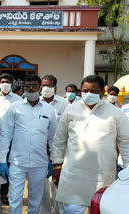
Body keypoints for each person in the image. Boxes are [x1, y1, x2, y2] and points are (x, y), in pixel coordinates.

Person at [51, 75, 129, 213]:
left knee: (101, 208)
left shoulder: (115, 113)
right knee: (71, 210)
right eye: (85, 90)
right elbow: (59, 140)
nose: (89, 94)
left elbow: (125, 142)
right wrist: (57, 165)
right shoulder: (71, 110)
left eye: (93, 91)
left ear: (101, 92)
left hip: (102, 173)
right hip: (74, 172)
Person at [0, 74, 57, 214]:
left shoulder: (49, 110)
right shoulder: (14, 107)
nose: (31, 89)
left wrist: (53, 160)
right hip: (17, 162)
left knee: (35, 200)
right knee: (14, 198)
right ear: (24, 87)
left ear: (40, 88)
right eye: (28, 86)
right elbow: (6, 134)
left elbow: (53, 137)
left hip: (40, 163)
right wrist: (2, 161)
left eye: (34, 86)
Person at [0, 73, 21, 204]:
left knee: (8, 166)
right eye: (2, 81)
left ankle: (4, 194)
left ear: (12, 84)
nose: (5, 84)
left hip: (12, 138)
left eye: (7, 82)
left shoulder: (18, 99)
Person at [39, 74, 67, 214]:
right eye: (43, 85)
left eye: (49, 85)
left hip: (59, 152)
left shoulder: (64, 103)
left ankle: (58, 212)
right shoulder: (35, 102)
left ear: (55, 88)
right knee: (42, 188)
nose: (46, 88)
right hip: (41, 152)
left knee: (57, 186)